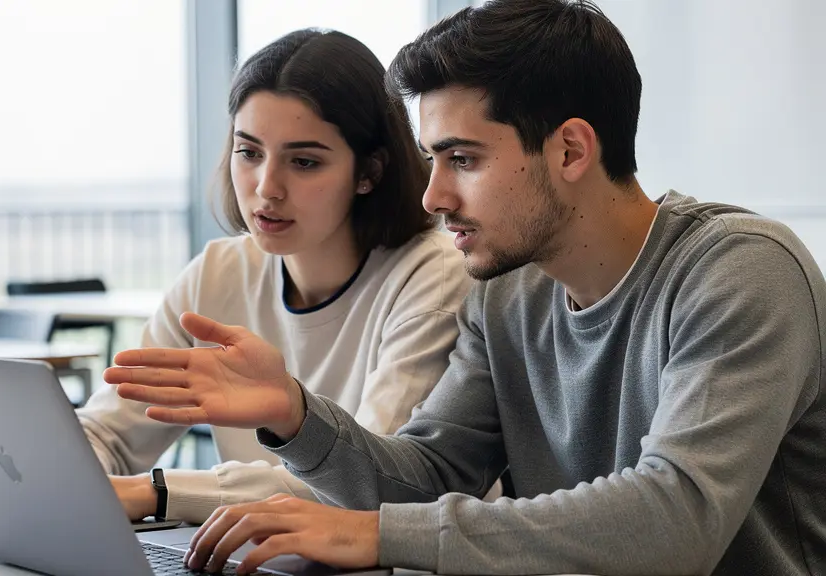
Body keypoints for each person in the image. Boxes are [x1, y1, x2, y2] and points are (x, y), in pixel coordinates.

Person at [105, 1, 826, 575]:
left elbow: (677, 519)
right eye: (429, 158)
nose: (432, 195)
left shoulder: (741, 271)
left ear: (570, 149)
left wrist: (379, 535)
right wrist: (297, 417)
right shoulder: (507, 293)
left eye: (461, 159)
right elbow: (428, 473)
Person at [79, 28, 472, 526]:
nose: (267, 188)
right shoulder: (217, 273)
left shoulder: (431, 277)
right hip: (253, 548)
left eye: (304, 162)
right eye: (249, 152)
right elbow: (110, 432)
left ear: (369, 172)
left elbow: (369, 483)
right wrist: (64, 476)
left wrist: (153, 492)